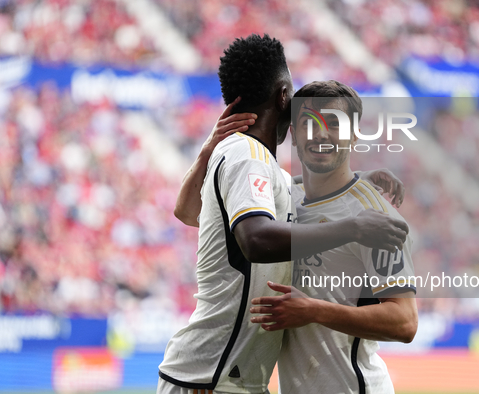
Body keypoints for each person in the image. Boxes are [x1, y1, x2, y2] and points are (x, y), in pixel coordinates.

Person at [158, 34, 409, 394]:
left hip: (234, 378)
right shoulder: (246, 154)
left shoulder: (266, 170)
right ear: (282, 95)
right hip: (210, 377)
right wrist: (354, 227)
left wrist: (353, 181)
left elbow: (187, 210)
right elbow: (256, 239)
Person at [249, 80, 418, 393]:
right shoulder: (285, 197)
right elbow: (192, 213)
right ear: (295, 137)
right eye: (308, 123)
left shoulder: (376, 217)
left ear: (354, 136)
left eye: (334, 124)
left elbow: (405, 322)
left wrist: (314, 310)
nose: (321, 133)